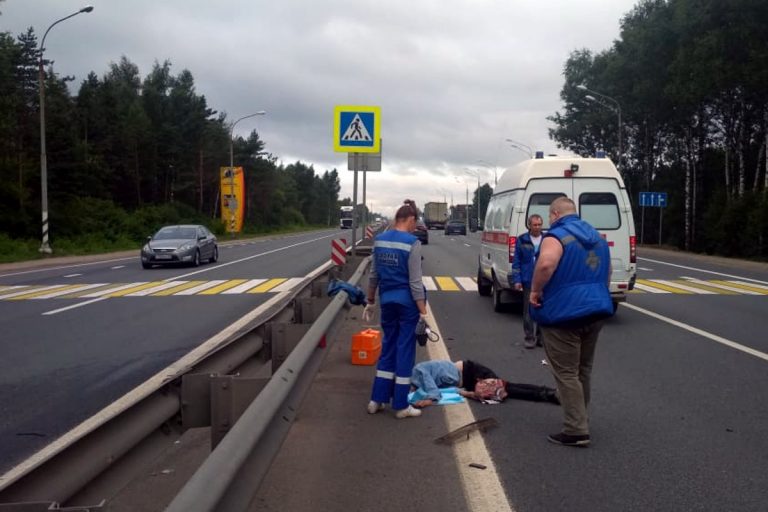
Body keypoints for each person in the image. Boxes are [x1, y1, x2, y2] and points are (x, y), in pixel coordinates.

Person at [529, 197, 614, 447]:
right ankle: (581, 417)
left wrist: (535, 290)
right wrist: (598, 295)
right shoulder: (598, 237)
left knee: (566, 372)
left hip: (563, 314)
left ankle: (576, 429)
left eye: (550, 215)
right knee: (583, 369)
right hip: (596, 310)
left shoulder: (556, 236)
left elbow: (545, 264)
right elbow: (607, 272)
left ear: (555, 214)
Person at [364, 199, 427, 419]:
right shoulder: (412, 242)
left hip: (387, 301)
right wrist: (423, 312)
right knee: (405, 350)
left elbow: (374, 274)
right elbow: (415, 282)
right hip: (407, 304)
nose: (415, 227)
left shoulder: (379, 240)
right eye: (414, 223)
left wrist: (370, 300)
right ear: (409, 219)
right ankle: (401, 405)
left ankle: (376, 400)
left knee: (388, 346)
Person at [409, 359, 559, 408]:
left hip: (472, 372)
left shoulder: (418, 371)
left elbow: (433, 390)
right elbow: (447, 389)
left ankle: (549, 394)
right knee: (506, 388)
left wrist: (429, 400)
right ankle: (548, 393)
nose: (411, 391)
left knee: (506, 389)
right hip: (468, 380)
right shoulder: (418, 381)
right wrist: (468, 393)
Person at [510, 214, 544, 349]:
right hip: (528, 280)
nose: (537, 227)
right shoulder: (522, 240)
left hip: (544, 280)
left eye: (539, 224)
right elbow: (516, 261)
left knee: (542, 309)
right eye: (535, 225)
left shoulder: (547, 239)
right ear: (529, 225)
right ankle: (529, 337)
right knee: (528, 310)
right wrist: (517, 280)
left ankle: (541, 337)